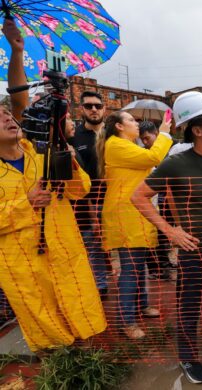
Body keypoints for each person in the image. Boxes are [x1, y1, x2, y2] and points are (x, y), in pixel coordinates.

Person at [0, 17, 106, 351]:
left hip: (63, 247)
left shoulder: (38, 152)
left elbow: (81, 189)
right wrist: (26, 203)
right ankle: (56, 362)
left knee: (78, 311)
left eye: (7, 115)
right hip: (21, 261)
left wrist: (17, 51)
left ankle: (82, 356)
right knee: (45, 320)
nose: (7, 117)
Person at [131, 91, 202, 385]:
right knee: (189, 307)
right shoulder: (176, 163)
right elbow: (139, 197)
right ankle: (187, 355)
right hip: (194, 252)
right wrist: (170, 231)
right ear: (196, 129)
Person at [97, 111, 172, 339]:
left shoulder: (126, 145)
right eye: (130, 120)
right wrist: (165, 134)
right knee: (130, 269)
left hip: (134, 214)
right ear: (119, 126)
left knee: (139, 266)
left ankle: (141, 305)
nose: (136, 123)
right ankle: (125, 320)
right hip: (126, 216)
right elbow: (153, 158)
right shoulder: (116, 145)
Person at [71, 91, 109, 299]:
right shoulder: (74, 137)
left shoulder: (115, 133)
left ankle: (134, 295)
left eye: (97, 105)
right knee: (93, 247)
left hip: (116, 201)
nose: (93, 109)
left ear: (104, 108)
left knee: (122, 246)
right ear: (82, 109)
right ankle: (100, 286)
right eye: (88, 106)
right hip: (86, 204)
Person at [139, 121, 174, 281]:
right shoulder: (146, 154)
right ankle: (159, 268)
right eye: (143, 140)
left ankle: (166, 263)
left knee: (167, 234)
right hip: (154, 199)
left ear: (157, 134)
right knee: (159, 234)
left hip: (169, 198)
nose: (145, 143)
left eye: (147, 138)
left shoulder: (170, 149)